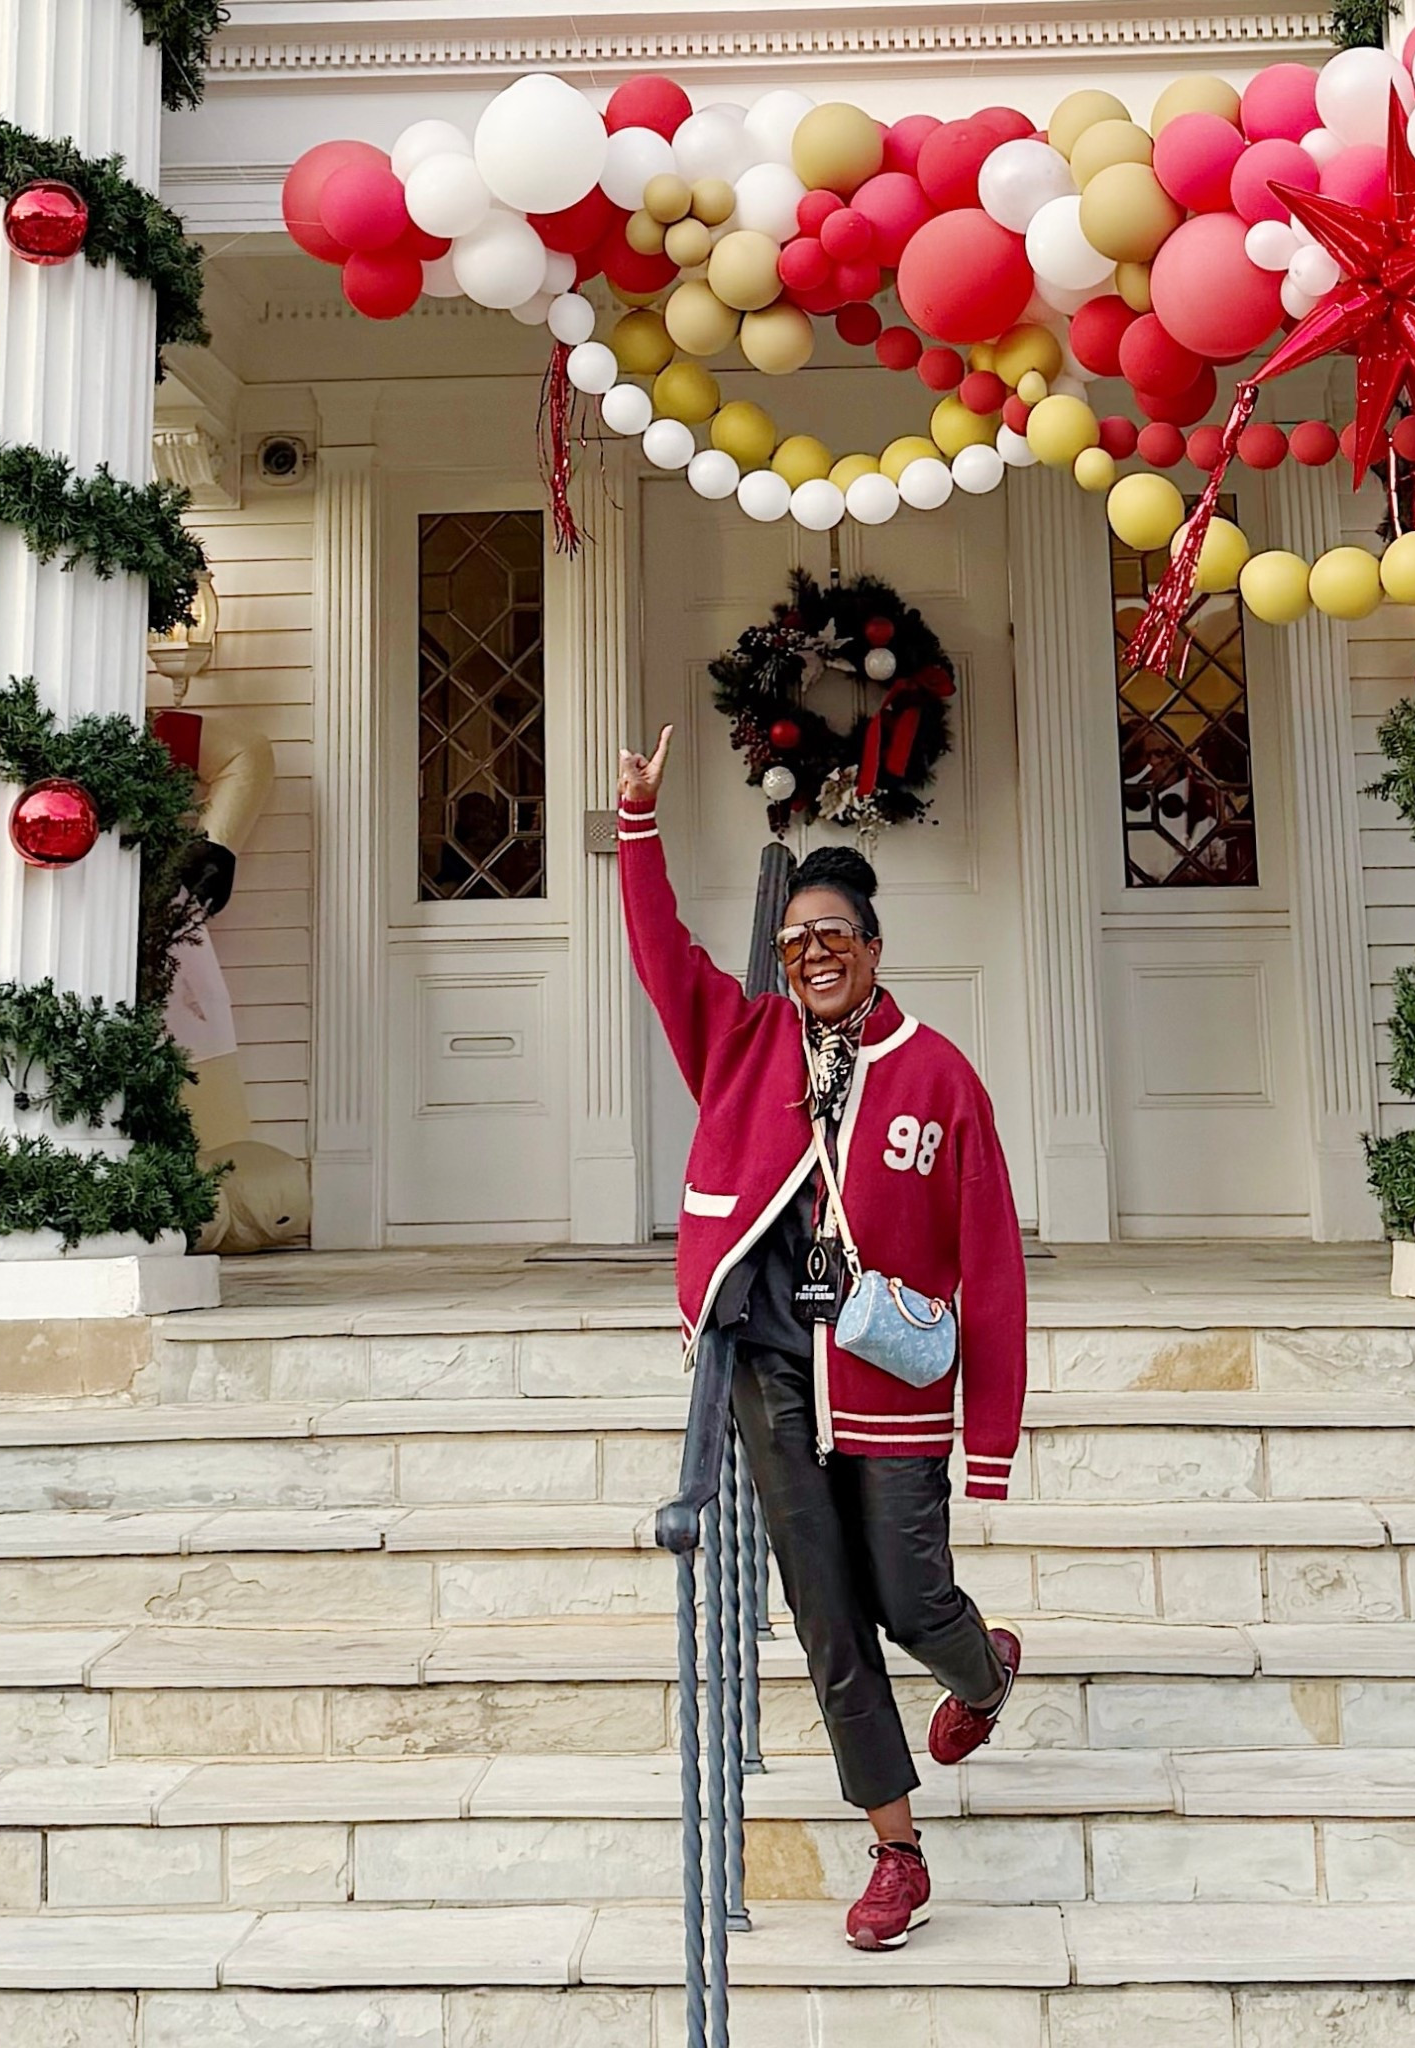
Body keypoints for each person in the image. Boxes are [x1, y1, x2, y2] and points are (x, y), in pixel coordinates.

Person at [618, 725, 1028, 1952]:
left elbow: (994, 1262)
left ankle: (981, 1669)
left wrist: (991, 1435)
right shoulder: (745, 1045)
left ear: (875, 948)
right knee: (829, 1620)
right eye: (795, 942)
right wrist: (637, 826)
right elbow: (663, 961)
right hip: (771, 1372)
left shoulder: (940, 1076)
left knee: (910, 1599)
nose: (810, 956)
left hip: (893, 1382)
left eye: (832, 938)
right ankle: (897, 1848)